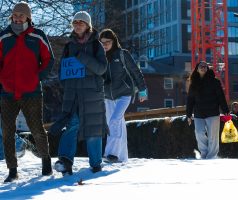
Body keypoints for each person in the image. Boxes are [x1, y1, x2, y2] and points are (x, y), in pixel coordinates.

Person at [0, 1, 54, 182]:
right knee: (7, 131)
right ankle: (12, 170)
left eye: (21, 15)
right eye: (15, 15)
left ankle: (46, 161)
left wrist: (36, 78)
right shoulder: (3, 37)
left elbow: (49, 60)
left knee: (37, 129)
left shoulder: (38, 36)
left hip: (31, 92)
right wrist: (3, 81)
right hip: (8, 93)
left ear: (28, 17)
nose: (17, 18)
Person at [54, 11, 108, 175]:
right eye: (75, 22)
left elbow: (101, 68)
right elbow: (62, 71)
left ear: (88, 25)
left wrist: (82, 58)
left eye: (81, 22)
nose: (78, 25)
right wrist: (68, 83)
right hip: (73, 95)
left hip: (92, 95)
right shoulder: (69, 46)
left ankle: (96, 164)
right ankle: (65, 161)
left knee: (93, 128)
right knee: (72, 125)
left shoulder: (96, 45)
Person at [99, 29, 148, 163]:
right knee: (114, 124)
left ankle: (111, 153)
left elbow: (135, 71)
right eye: (102, 42)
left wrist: (142, 90)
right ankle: (122, 157)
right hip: (107, 96)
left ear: (114, 41)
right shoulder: (100, 57)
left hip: (124, 94)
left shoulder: (122, 54)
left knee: (115, 120)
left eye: (107, 42)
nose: (105, 45)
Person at [186, 61, 229, 159]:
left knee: (213, 136)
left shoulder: (215, 82)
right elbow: (190, 100)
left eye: (205, 66)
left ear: (207, 69)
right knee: (199, 132)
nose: (203, 68)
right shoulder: (193, 84)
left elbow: (221, 97)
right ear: (197, 69)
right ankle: (204, 153)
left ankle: (211, 156)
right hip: (199, 113)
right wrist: (188, 114)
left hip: (213, 112)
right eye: (201, 66)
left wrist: (225, 110)